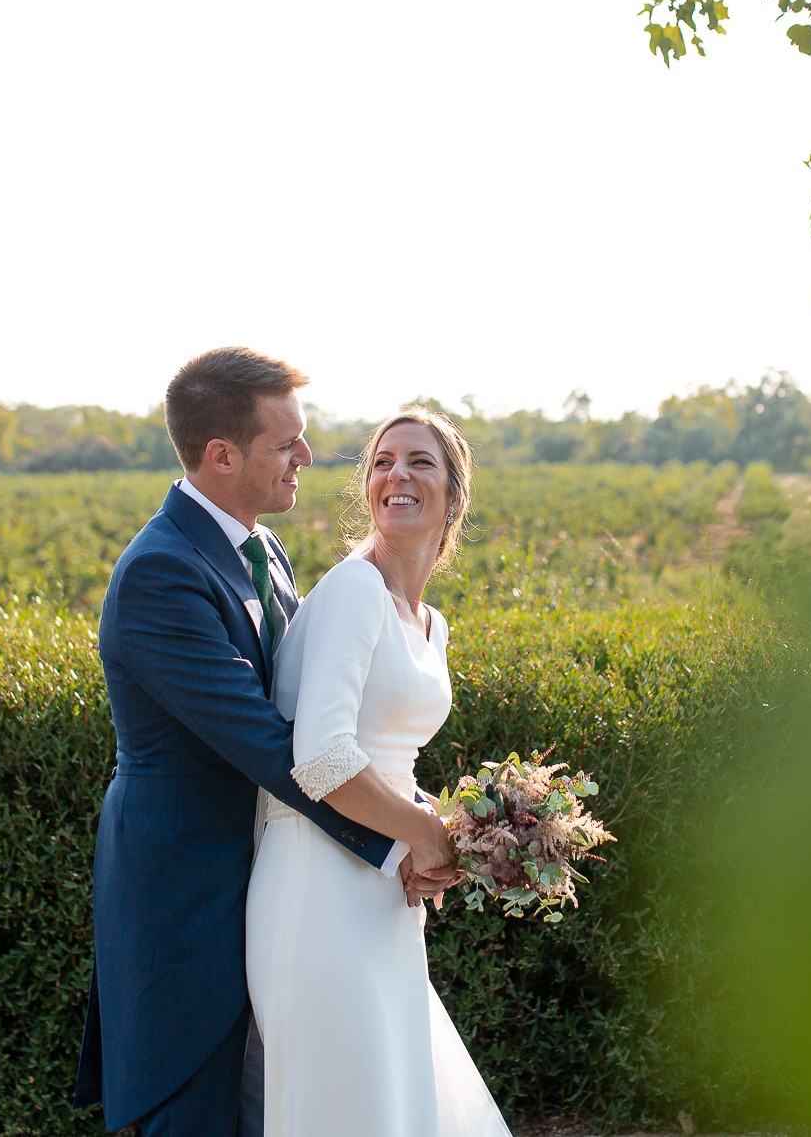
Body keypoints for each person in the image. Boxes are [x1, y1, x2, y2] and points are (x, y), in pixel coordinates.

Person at [72, 348, 456, 1137]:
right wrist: (412, 836)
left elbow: (323, 717)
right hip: (188, 896)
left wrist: (431, 819)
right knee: (195, 1118)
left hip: (276, 880)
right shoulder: (160, 572)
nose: (308, 460)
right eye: (287, 444)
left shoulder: (263, 553)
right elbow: (274, 746)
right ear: (221, 455)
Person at [246, 408, 513, 1137]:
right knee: (346, 1104)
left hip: (384, 885)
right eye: (384, 461)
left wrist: (450, 834)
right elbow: (323, 759)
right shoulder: (354, 589)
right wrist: (423, 832)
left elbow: (390, 757)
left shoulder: (432, 623)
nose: (398, 474)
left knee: (394, 1100)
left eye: (421, 462)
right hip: (317, 881)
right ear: (368, 486)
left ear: (454, 497)